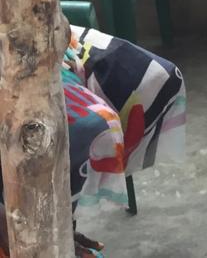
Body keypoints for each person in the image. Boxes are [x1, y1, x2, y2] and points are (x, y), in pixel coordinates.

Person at [0, 23, 187, 258]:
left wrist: (51, 29)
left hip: (22, 34)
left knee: (155, 77)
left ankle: (61, 220)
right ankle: (35, 226)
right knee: (88, 129)